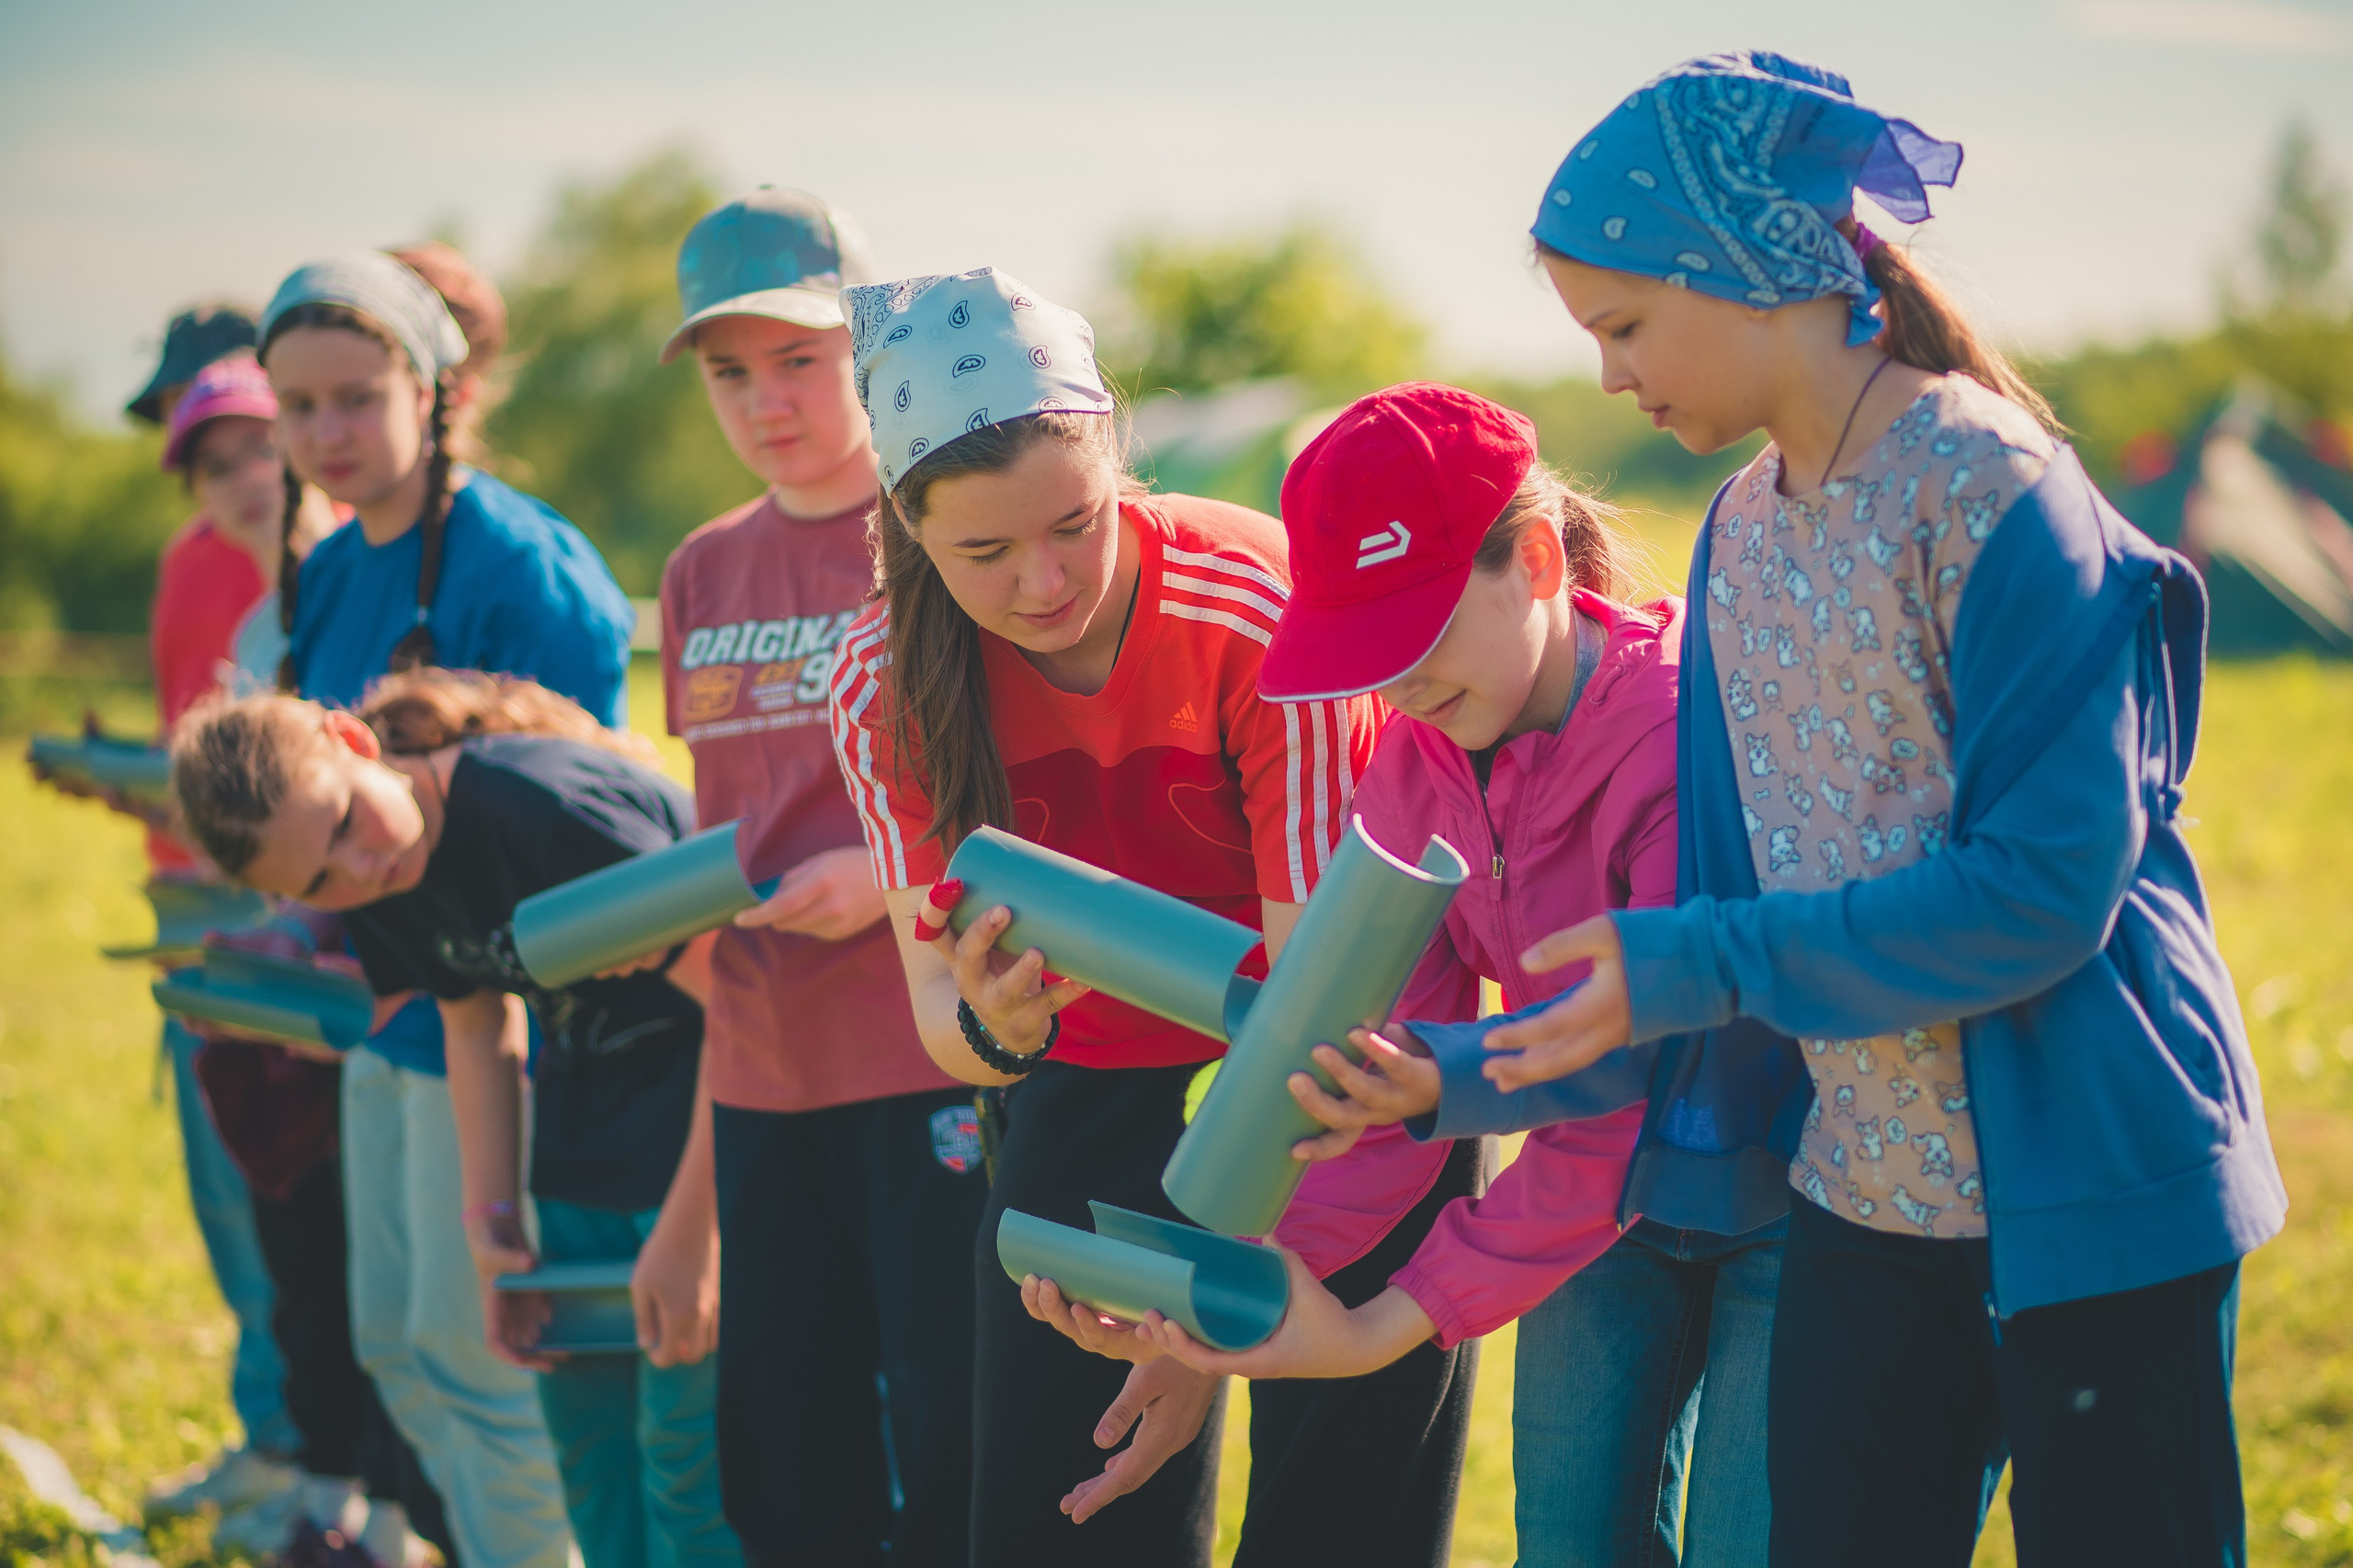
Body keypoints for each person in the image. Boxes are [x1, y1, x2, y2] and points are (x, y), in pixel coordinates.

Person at [1478, 51, 2283, 1566]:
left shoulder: (1992, 488)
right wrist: (1467, 1072)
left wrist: (1697, 959)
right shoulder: (1738, 530)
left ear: (1752, 270)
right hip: (1867, 1199)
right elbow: (1731, 900)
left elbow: (2044, 892)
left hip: (2096, 1197)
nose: (1608, 374)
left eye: (1627, 323)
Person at [1036, 381, 1778, 1565]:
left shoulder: (1675, 739)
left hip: (1777, 1201)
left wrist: (1384, 1322)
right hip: (1600, 1221)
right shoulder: (1416, 762)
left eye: (1417, 639)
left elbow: (1630, 1082)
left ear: (1535, 561)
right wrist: (1221, 1288)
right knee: (1573, 1543)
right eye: (1363, 651)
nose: (1396, 685)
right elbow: (1368, 1079)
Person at [828, 268, 1481, 1568]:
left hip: (1345, 1068)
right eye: (984, 552)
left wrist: (1206, 1306)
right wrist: (1004, 1032)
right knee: (1065, 1507)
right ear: (907, 526)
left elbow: (1310, 1001)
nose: (1043, 580)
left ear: (1117, 453)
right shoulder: (879, 684)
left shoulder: (1249, 601)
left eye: (1075, 523)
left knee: (1344, 1514)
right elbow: (941, 1023)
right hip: (1098, 1072)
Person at [167, 674, 740, 1568]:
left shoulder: (539, 808)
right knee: (595, 1466)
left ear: (353, 743)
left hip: (707, 1154)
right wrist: (493, 1232)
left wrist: (693, 1235)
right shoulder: (382, 885)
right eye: (319, 878)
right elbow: (476, 1025)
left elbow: (744, 1002)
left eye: (347, 824)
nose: (360, 869)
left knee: (687, 1471)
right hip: (583, 1155)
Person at [259, 245, 633, 1568]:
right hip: (392, 1017)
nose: (327, 434)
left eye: (356, 396)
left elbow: (581, 809)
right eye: (297, 409)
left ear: (435, 383)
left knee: (490, 1366)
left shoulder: (524, 565)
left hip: (500, 1032)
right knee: (401, 1354)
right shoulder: (326, 565)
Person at [655, 188, 986, 1566]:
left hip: (927, 1057)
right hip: (760, 1073)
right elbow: (728, 816)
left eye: (797, 358)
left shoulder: (942, 541)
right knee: (790, 1474)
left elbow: (1038, 802)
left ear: (866, 344)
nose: (764, 401)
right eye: (730, 372)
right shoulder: (700, 570)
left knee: (959, 1448)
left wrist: (889, 875)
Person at [96, 312, 310, 1530]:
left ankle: (309, 1451)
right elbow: (199, 740)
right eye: (195, 447)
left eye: (243, 437)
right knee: (227, 1192)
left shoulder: (316, 552)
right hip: (190, 910)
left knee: (285, 1191)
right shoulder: (193, 558)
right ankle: (270, 1432)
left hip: (273, 912)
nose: (224, 473)